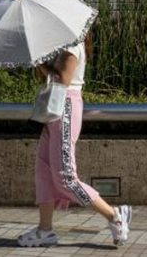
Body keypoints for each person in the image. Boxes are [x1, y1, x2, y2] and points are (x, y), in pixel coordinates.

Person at [18, 33, 132, 248]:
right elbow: (53, 78)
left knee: (65, 177)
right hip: (53, 110)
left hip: (65, 108)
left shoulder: (72, 45)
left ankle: (115, 214)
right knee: (43, 171)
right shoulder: (61, 45)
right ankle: (45, 230)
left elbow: (64, 79)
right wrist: (40, 62)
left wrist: (41, 62)